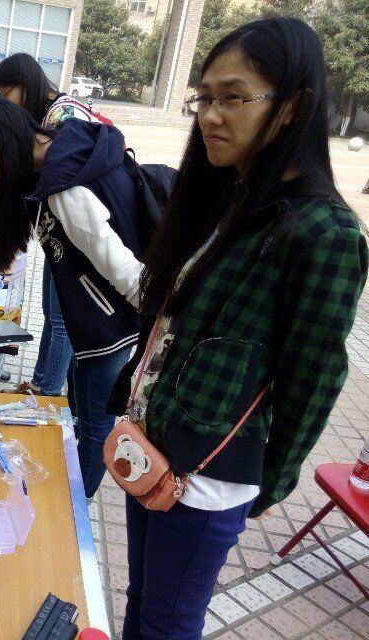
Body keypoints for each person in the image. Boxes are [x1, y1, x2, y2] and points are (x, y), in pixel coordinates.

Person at [106, 18, 367, 639]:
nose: (210, 116)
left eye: (233, 97)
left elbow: (313, 376)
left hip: (207, 476)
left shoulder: (324, 231)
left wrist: (270, 481)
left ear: (293, 107)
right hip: (152, 451)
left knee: (168, 624)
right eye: (204, 98)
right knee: (142, 603)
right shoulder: (230, 197)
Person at [0, 96, 145, 499]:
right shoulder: (62, 151)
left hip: (109, 327)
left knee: (95, 425)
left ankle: (76, 512)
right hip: (96, 322)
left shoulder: (64, 188)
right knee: (81, 415)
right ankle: (70, 493)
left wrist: (160, 322)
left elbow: (128, 274)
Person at [0, 52, 108, 397]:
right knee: (51, 312)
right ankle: (40, 382)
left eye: (6, 95)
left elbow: (64, 185)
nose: (6, 104)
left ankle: (46, 392)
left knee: (61, 320)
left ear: (25, 85)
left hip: (76, 235)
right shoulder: (49, 114)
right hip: (62, 231)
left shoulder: (63, 116)